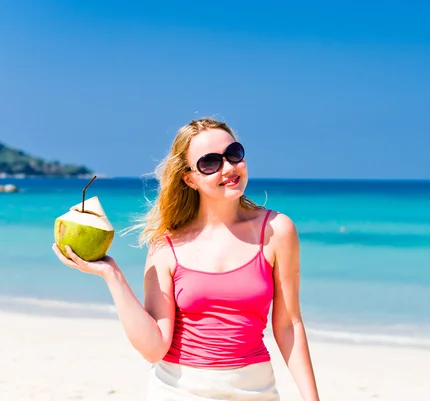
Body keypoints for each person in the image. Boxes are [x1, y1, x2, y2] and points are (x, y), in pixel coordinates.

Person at [52, 117, 320, 400]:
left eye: (234, 154)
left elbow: (289, 324)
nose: (228, 168)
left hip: (255, 390)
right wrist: (112, 274)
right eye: (210, 163)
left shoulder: (277, 230)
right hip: (179, 391)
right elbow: (154, 348)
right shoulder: (166, 246)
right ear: (189, 178)